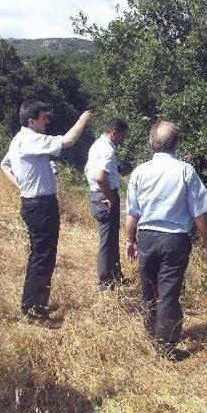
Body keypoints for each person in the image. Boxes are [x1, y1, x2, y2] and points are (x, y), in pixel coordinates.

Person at [125, 121, 207, 358]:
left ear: (151, 142)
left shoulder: (139, 172)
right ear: (175, 143)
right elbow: (199, 212)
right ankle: (165, 347)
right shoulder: (186, 171)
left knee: (149, 287)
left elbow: (132, 213)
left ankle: (152, 333)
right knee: (168, 291)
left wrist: (129, 240)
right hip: (175, 240)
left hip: (146, 237)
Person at [1, 100, 92, 328]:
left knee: (41, 256)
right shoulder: (29, 139)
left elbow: (5, 164)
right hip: (40, 205)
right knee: (42, 258)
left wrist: (22, 186)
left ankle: (34, 305)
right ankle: (34, 312)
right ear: (31, 121)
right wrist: (84, 118)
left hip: (36, 203)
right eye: (44, 117)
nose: (47, 120)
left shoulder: (19, 140)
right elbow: (69, 140)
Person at [85, 118, 128, 290]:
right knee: (106, 241)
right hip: (105, 196)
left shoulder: (96, 145)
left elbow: (86, 170)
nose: (123, 140)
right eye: (123, 136)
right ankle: (104, 283)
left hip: (98, 194)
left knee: (111, 239)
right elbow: (100, 177)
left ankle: (116, 277)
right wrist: (110, 198)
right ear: (114, 133)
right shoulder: (107, 150)